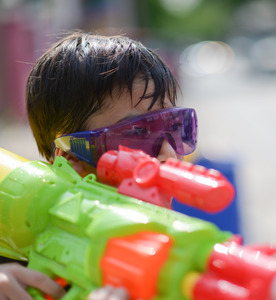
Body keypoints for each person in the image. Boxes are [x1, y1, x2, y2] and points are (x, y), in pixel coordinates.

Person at [0, 31, 196, 300]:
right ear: (70, 158)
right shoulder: (20, 277)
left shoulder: (187, 259)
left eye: (174, 127)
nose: (169, 155)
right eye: (138, 133)